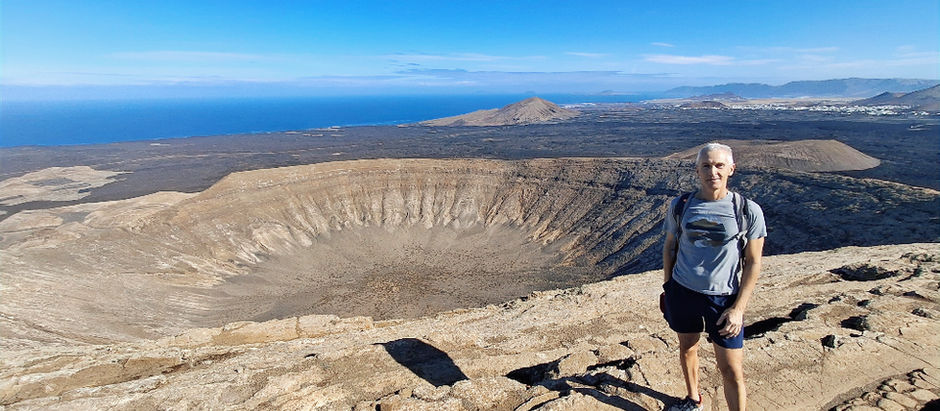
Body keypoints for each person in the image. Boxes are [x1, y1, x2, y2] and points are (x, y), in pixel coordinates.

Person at [662, 143, 767, 411]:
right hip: (683, 292)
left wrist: (738, 309)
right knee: (687, 348)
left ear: (731, 169)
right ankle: (693, 398)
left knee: (731, 369)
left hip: (723, 299)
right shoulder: (681, 205)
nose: (713, 172)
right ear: (697, 170)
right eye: (706, 166)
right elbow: (670, 246)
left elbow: (753, 262)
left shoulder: (747, 210)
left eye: (719, 165)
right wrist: (669, 287)